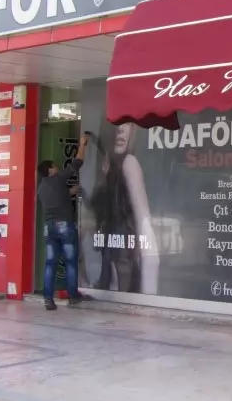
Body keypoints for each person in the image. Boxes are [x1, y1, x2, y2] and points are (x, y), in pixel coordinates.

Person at [88, 123, 159, 293]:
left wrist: (148, 297)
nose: (120, 129)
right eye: (117, 123)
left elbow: (144, 221)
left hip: (126, 273)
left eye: (126, 123)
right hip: (117, 276)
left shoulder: (129, 163)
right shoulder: (114, 173)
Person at [37, 133, 92, 311]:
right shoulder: (58, 178)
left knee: (50, 263)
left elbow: (57, 199)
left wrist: (70, 192)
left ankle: (48, 298)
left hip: (48, 228)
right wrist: (82, 144)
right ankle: (73, 296)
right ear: (51, 170)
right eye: (55, 166)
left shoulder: (41, 188)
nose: (57, 168)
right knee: (70, 261)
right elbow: (77, 163)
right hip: (64, 226)